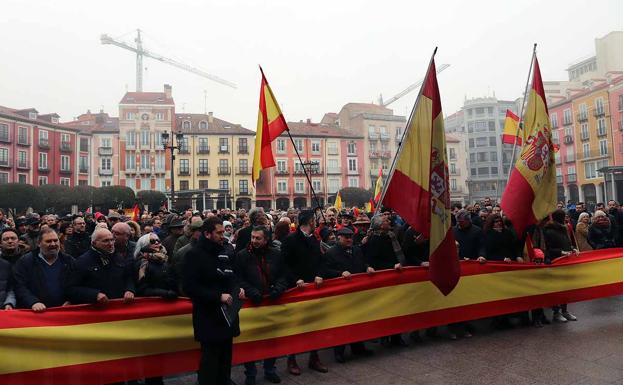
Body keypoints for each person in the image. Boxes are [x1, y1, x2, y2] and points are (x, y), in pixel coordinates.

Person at [183, 216, 243, 385]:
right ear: (207, 234)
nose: (222, 235)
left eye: (223, 232)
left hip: (228, 315)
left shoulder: (225, 250)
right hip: (208, 317)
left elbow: (233, 275)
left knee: (226, 357)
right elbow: (190, 287)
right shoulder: (193, 255)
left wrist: (238, 289)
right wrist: (217, 296)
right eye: (219, 233)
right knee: (210, 360)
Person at [236, 226, 287, 384]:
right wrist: (251, 291)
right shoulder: (242, 256)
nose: (254, 241)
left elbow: (284, 275)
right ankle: (250, 374)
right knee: (251, 341)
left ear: (266, 239)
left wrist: (278, 288)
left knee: (271, 339)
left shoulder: (277, 254)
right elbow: (238, 279)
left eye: (258, 238)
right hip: (252, 305)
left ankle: (270, 370)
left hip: (271, 303)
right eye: (252, 237)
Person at [281, 209, 328, 375]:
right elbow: (284, 264)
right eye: (314, 220)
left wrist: (319, 275)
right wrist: (295, 279)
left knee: (314, 322)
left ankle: (314, 357)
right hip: (297, 288)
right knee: (296, 324)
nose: (316, 222)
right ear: (309, 222)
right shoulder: (290, 240)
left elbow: (322, 260)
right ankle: (291, 359)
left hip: (313, 287)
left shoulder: (315, 239)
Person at [322, 227, 375, 363]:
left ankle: (358, 348)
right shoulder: (331, 253)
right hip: (341, 295)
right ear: (339, 238)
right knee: (342, 323)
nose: (349, 239)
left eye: (351, 237)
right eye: (346, 237)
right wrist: (340, 274)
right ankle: (339, 352)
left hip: (356, 293)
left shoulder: (357, 250)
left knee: (357, 320)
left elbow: (362, 263)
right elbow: (325, 271)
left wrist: (367, 267)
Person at [362, 215, 408, 347]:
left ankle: (396, 337)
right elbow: (374, 261)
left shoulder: (391, 236)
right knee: (386, 309)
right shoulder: (374, 240)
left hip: (395, 276)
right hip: (384, 278)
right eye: (386, 221)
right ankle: (385, 336)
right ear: (381, 225)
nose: (389, 221)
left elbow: (399, 252)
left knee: (397, 308)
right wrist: (391, 266)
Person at [65, 228, 135, 305]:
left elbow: (128, 277)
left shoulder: (118, 257)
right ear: (94, 243)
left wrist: (129, 290)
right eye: (106, 241)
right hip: (96, 310)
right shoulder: (82, 262)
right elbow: (71, 289)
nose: (111, 243)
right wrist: (95, 295)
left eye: (112, 240)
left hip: (118, 307)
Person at [13, 228, 75, 311]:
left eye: (55, 240)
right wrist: (33, 302)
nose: (53, 244)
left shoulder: (69, 261)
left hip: (64, 312)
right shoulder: (25, 262)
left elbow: (77, 284)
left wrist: (71, 300)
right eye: (48, 241)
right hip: (37, 315)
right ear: (39, 243)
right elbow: (20, 286)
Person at [542, 209, 578, 323]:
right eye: (564, 216)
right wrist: (561, 252)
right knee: (557, 288)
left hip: (566, 261)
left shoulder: (564, 228)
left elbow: (567, 243)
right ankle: (556, 312)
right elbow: (547, 249)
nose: (566, 218)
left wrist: (572, 249)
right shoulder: (548, 231)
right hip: (556, 261)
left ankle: (564, 310)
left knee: (566, 287)